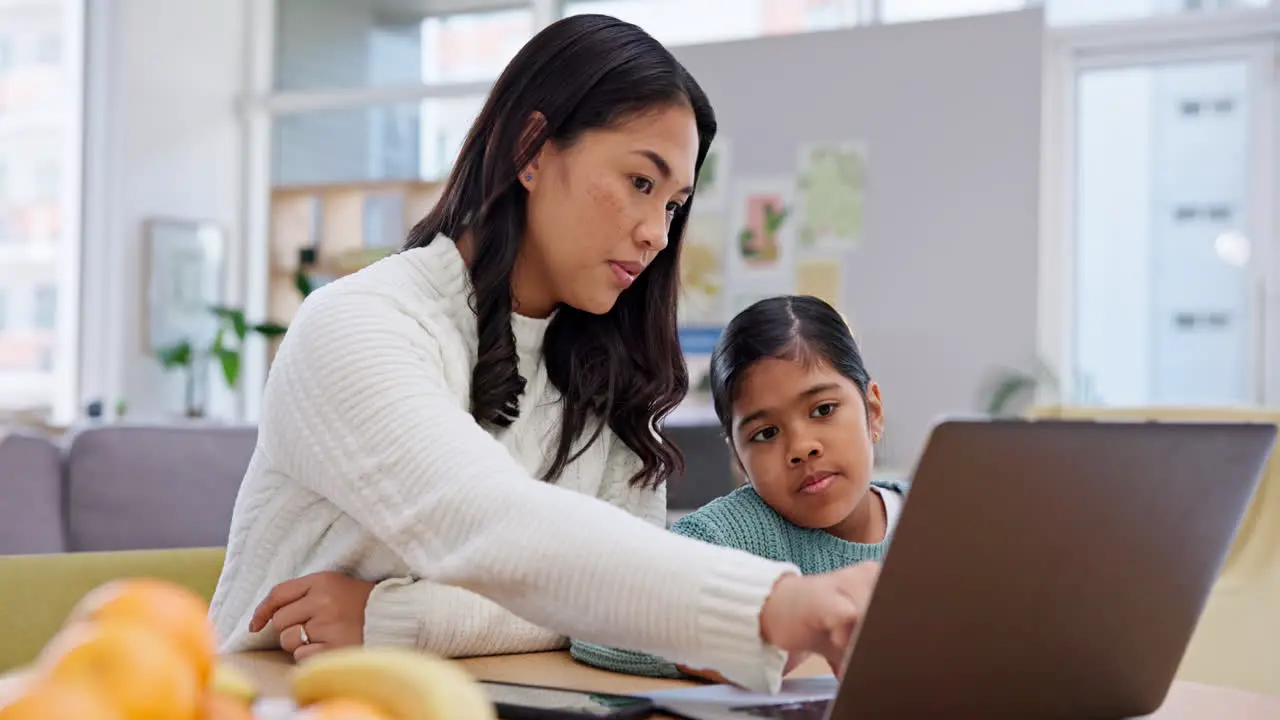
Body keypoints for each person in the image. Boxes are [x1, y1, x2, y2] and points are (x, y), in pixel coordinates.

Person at [208, 14, 880, 694]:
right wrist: (775, 604)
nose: (654, 234)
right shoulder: (361, 324)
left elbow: (608, 612)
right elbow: (489, 527)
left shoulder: (608, 370)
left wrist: (397, 616)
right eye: (640, 183)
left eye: (674, 205)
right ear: (532, 147)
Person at [571, 295, 906, 681]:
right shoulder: (727, 534)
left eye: (823, 410)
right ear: (739, 461)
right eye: (765, 433)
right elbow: (597, 623)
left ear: (873, 411)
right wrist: (751, 634)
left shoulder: (942, 515)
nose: (801, 447)